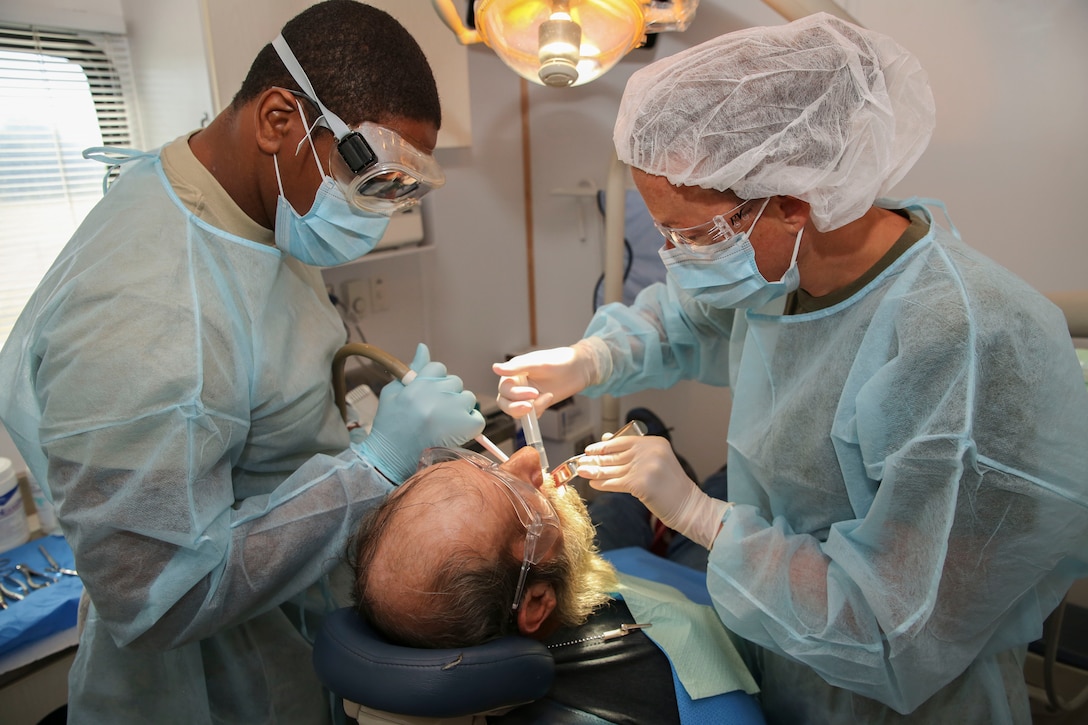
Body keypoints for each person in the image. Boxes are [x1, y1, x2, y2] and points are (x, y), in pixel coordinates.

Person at [494, 12, 1088, 724]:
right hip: (782, 657)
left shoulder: (968, 337)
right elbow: (681, 315)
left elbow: (892, 630)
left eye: (692, 234)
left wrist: (703, 517)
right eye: (663, 231)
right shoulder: (779, 272)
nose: (678, 256)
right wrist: (586, 359)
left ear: (794, 201)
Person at [0, 2, 484, 722]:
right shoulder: (145, 310)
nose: (380, 211)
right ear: (279, 120)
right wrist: (373, 465)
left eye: (400, 188)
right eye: (373, 180)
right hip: (207, 692)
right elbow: (157, 598)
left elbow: (260, 392)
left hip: (285, 642)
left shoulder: (247, 209)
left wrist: (389, 444)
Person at [350, 445, 760, 724]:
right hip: (695, 588)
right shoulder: (702, 703)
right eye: (516, 496)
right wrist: (701, 514)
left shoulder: (513, 597)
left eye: (487, 466)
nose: (526, 456)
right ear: (535, 604)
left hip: (606, 571)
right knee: (730, 491)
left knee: (619, 505)